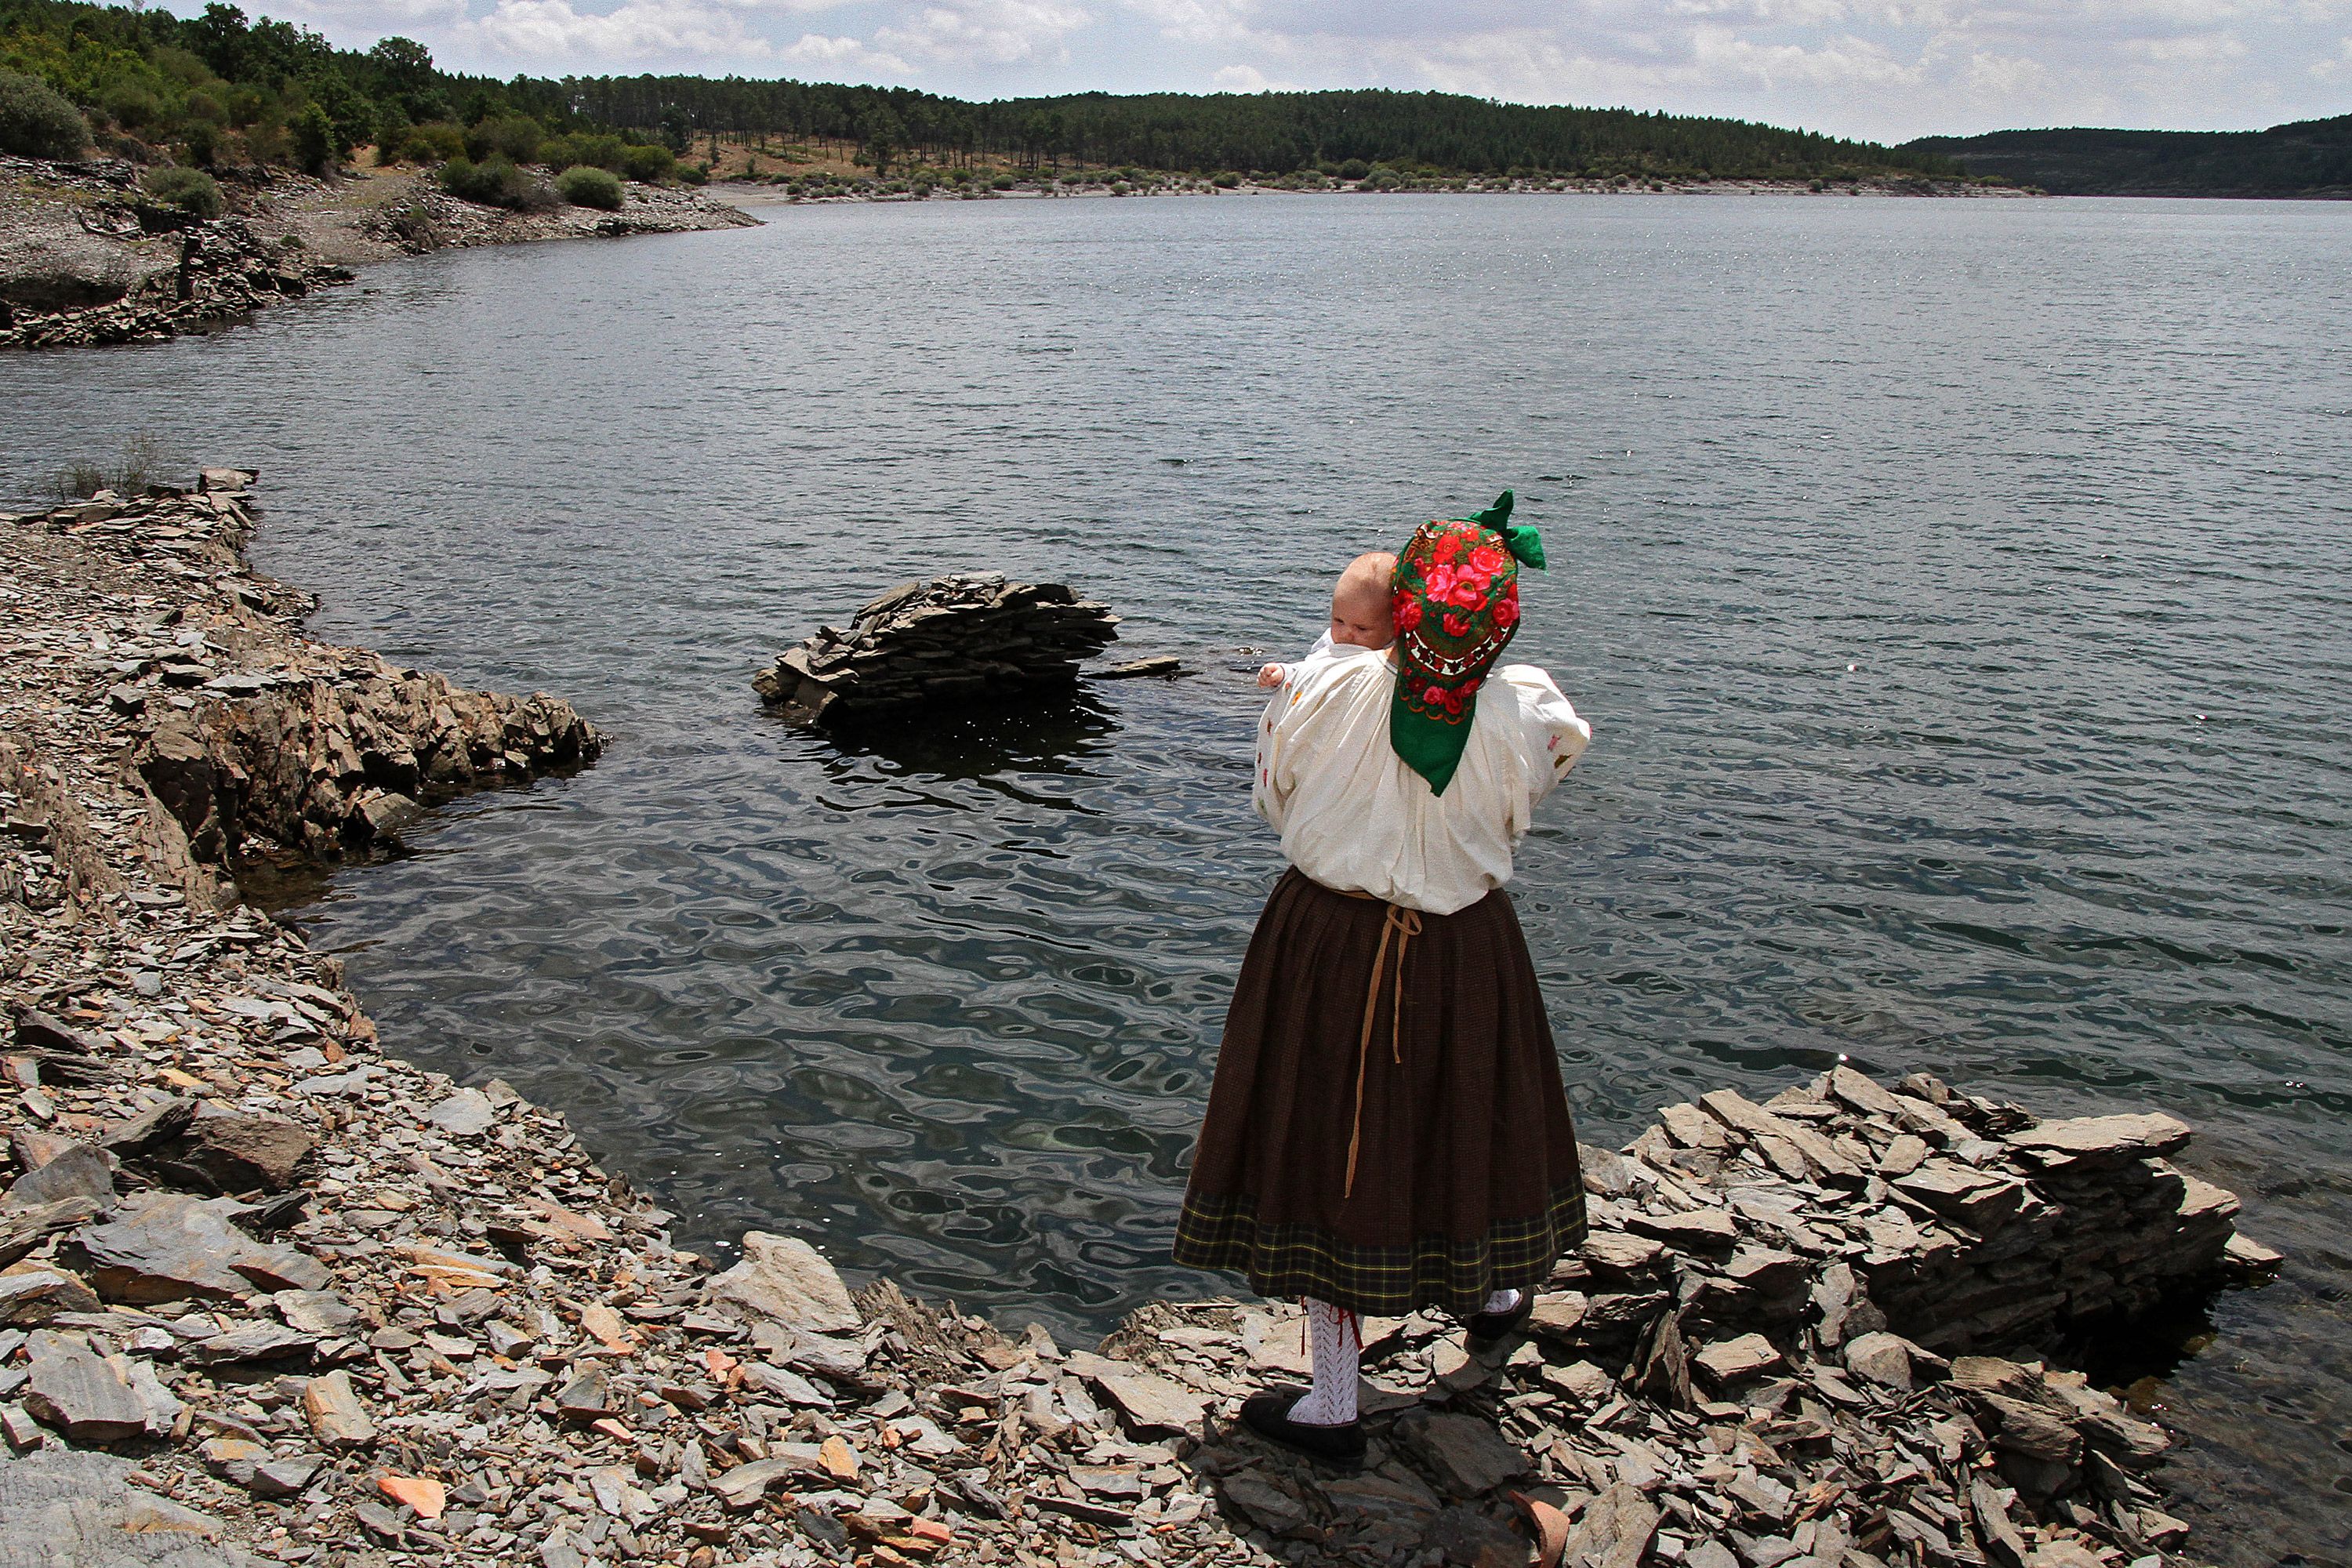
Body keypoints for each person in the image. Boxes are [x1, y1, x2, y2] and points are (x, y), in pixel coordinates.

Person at [1173, 492, 1592, 1465]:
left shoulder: (1326, 692)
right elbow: (1545, 778)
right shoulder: (1528, 708)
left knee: (1330, 1144)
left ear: (1406, 612)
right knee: (1468, 1109)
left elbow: (1273, 799)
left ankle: (1333, 1401)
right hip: (1467, 942)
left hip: (1333, 938)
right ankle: (1494, 1298)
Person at [1257, 552, 1399, 689]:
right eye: (1339, 621)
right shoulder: (1329, 644)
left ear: (1393, 630)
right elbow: (1310, 669)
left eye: (1362, 628)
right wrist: (1283, 674)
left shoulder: (1392, 658)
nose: (1347, 633)